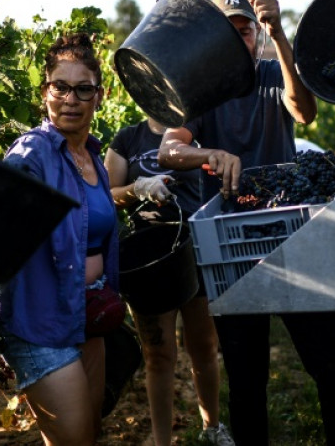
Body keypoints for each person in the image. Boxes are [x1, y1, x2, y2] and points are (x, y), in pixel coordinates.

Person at [159, 0, 335, 446]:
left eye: (245, 29)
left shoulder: (273, 73)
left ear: (255, 34)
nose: (238, 39)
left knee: (328, 364)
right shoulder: (200, 91)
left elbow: (304, 112)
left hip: (294, 233)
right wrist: (209, 152)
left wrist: (280, 34)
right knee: (246, 377)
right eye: (228, 31)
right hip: (234, 244)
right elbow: (169, 150)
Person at [0, 33, 120, 446]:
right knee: (75, 439)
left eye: (83, 89)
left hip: (87, 314)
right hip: (42, 320)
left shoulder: (94, 160)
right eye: (60, 87)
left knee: (87, 433)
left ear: (98, 97)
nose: (71, 99)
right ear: (45, 93)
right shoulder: (33, 152)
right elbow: (7, 186)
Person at [104, 115, 232, 445]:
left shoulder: (196, 131)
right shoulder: (127, 139)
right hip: (148, 261)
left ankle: (212, 428)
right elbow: (106, 195)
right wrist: (138, 190)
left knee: (204, 345)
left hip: (195, 248)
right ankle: (162, 441)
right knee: (158, 356)